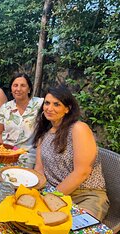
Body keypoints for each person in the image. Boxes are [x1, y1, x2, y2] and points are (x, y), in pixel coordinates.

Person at [33, 85, 108, 220]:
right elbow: (39, 169)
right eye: (47, 103)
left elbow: (82, 172)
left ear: (67, 109)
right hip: (53, 193)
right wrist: (35, 191)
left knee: (73, 230)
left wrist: (52, 197)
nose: (49, 108)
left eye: (57, 104)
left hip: (85, 195)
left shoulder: (78, 128)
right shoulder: (43, 134)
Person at [0, 73, 43, 167]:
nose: (18, 89)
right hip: (6, 153)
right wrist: (1, 152)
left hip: (28, 156)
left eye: (23, 85)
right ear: (11, 89)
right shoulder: (6, 107)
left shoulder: (39, 105)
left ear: (29, 89)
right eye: (15, 85)